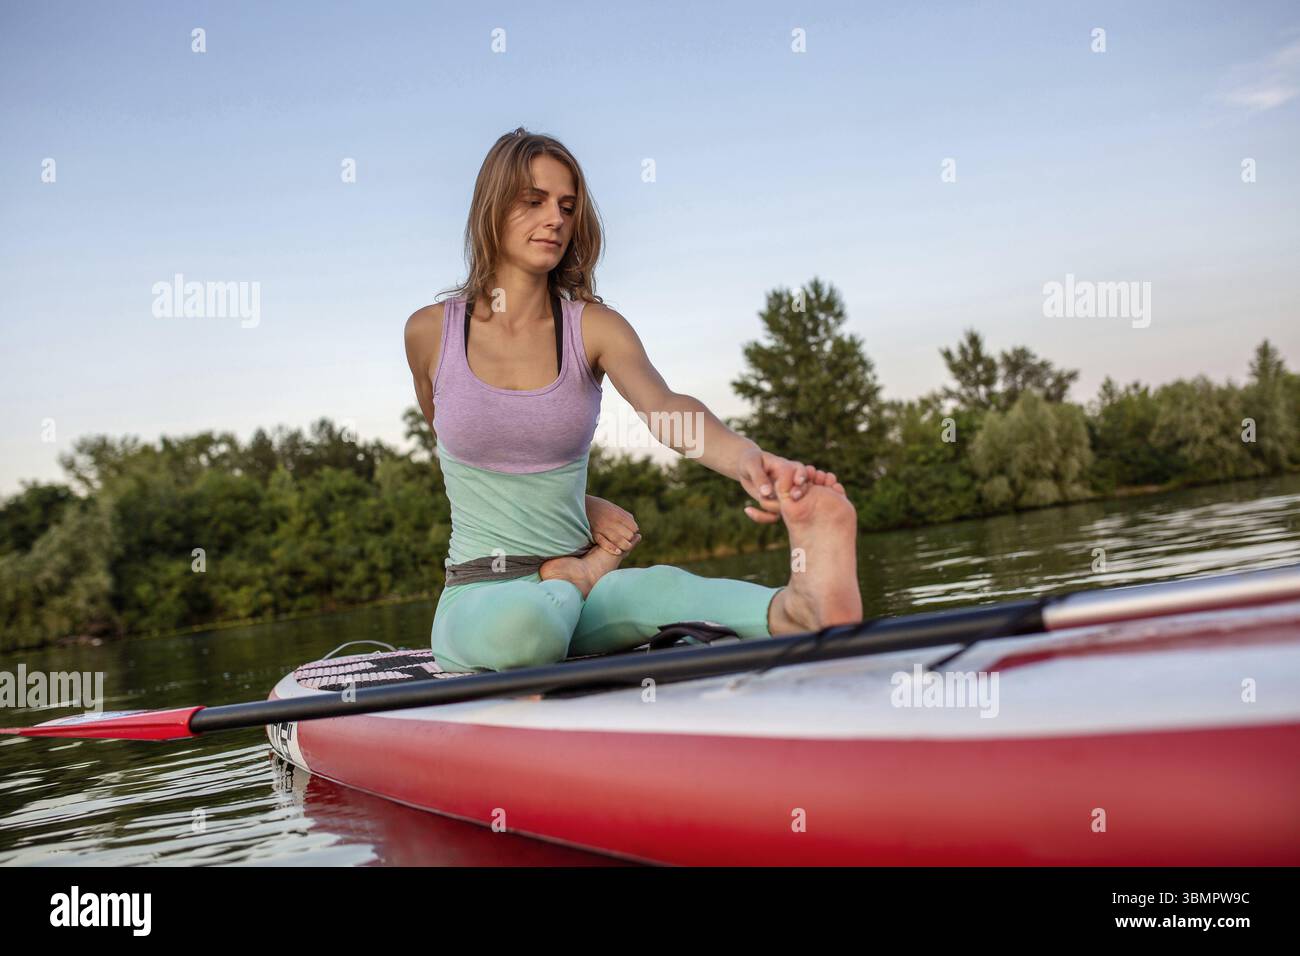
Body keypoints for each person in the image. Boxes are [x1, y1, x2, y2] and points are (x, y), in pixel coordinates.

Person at [404, 128, 862, 673]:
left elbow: (666, 408)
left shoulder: (594, 328)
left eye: (567, 206)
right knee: (522, 628)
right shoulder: (431, 333)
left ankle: (800, 608)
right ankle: (580, 580)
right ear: (492, 208)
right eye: (534, 201)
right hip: (480, 595)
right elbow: (458, 451)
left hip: (583, 585)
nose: (555, 218)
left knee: (660, 591)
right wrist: (582, 509)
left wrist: (749, 461)